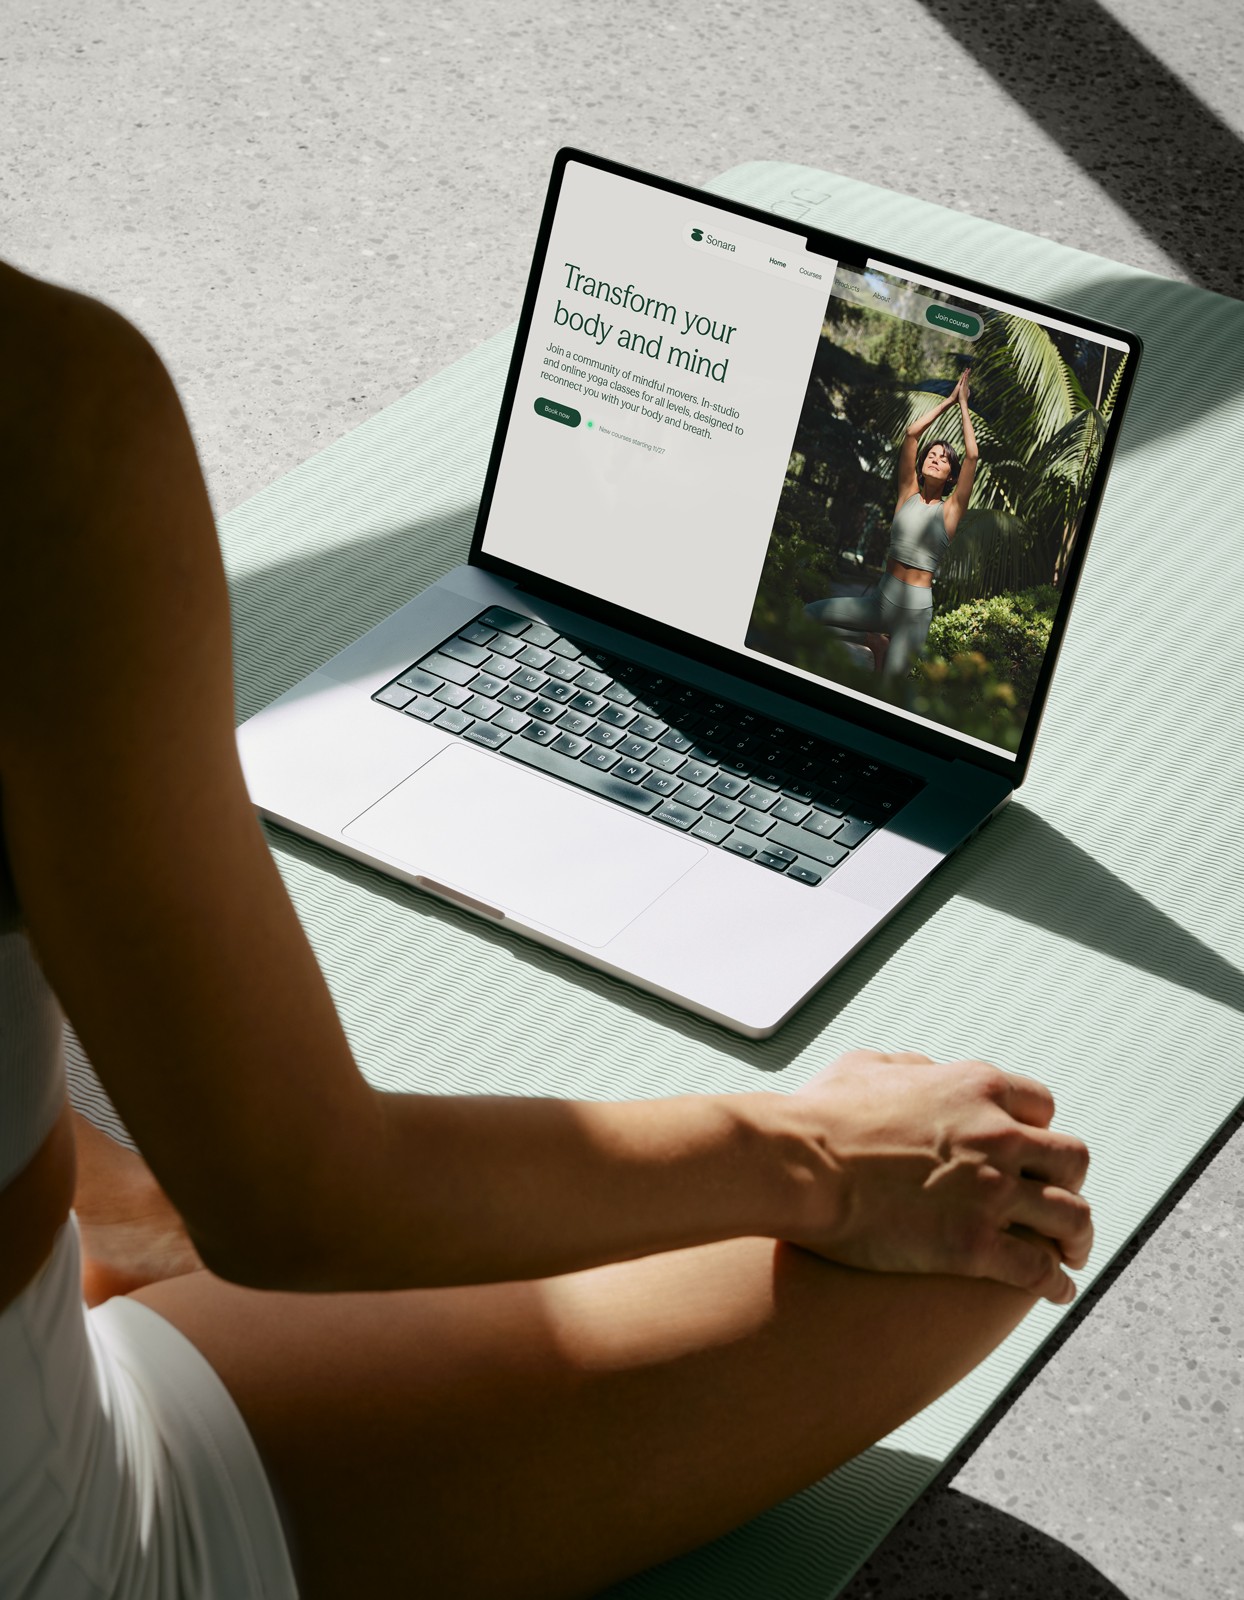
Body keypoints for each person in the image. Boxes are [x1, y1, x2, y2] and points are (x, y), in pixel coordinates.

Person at [0, 267, 1090, 1600]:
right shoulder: (42, 404)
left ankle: (143, 1221)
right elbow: (299, 1207)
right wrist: (818, 1157)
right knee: (993, 1219)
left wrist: (152, 1206)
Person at [805, 369, 979, 681]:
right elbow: (912, 434)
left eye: (943, 459)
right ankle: (872, 641)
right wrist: (948, 401)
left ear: (952, 476)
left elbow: (972, 456)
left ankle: (881, 650)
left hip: (915, 613)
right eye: (931, 455)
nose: (935, 459)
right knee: (808, 616)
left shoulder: (951, 509)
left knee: (889, 689)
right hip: (882, 600)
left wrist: (963, 404)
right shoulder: (907, 493)